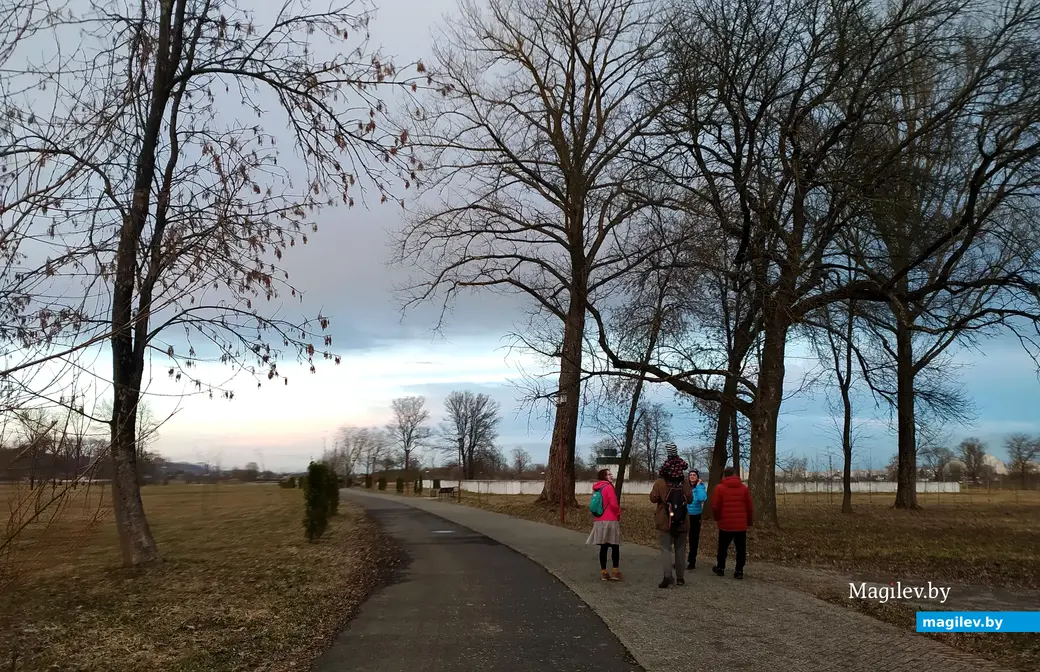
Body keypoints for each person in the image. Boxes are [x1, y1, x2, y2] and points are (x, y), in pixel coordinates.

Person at [649, 442, 692, 588]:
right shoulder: (684, 482)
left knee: (665, 548)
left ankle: (668, 576)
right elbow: (690, 498)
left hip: (665, 520)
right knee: (680, 549)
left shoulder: (660, 482)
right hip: (682, 520)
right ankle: (680, 578)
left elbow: (653, 498)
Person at [711, 465, 754, 579]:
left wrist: (718, 518)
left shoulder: (719, 488)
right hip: (740, 524)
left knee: (723, 547)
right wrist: (748, 521)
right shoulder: (744, 488)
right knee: (740, 548)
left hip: (725, 523)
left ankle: (720, 568)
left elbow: (715, 506)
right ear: (735, 474)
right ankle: (739, 570)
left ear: (724, 475)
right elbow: (749, 507)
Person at [586, 468, 622, 581]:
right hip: (611, 520)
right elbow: (614, 505)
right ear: (604, 476)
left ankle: (604, 572)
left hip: (599, 520)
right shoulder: (609, 487)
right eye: (609, 474)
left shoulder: (597, 488)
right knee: (615, 546)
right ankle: (615, 572)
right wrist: (618, 514)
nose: (611, 476)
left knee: (604, 547)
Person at [686, 469, 707, 570]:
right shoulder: (685, 487)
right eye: (690, 475)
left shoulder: (701, 487)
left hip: (695, 516)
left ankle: (692, 561)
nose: (692, 477)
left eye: (694, 475)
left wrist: (698, 486)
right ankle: (679, 561)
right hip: (685, 515)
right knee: (681, 539)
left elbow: (702, 498)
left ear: (697, 477)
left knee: (693, 539)